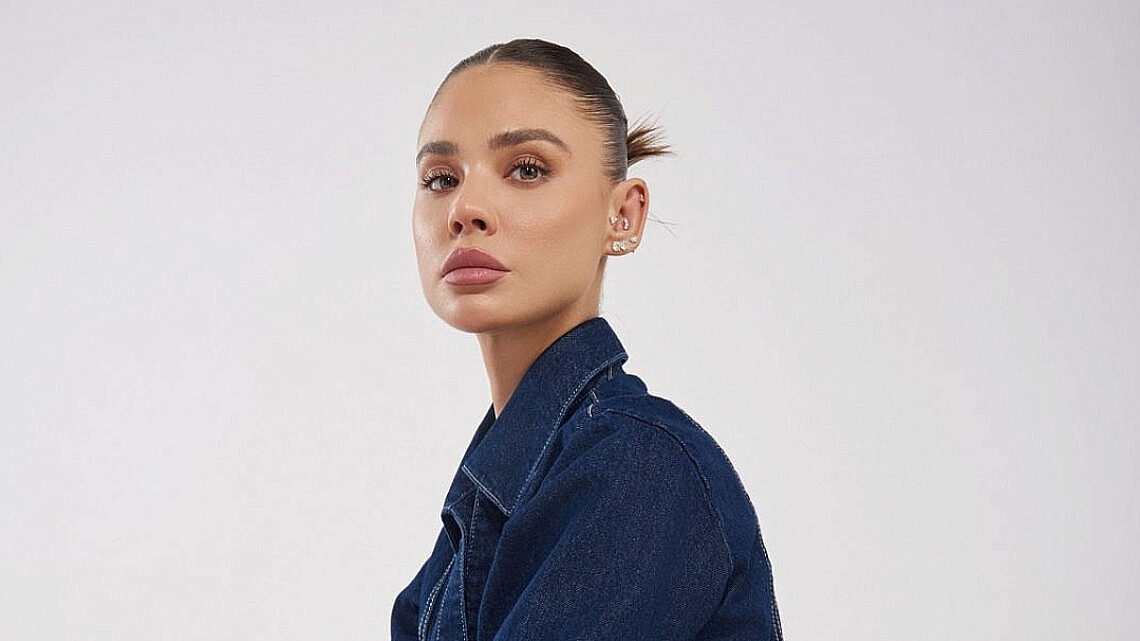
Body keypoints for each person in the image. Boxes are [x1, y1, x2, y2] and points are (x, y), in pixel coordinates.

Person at [391, 38, 782, 641]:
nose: (465, 209)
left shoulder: (638, 465)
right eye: (441, 178)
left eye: (527, 169)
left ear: (623, 214)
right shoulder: (490, 498)